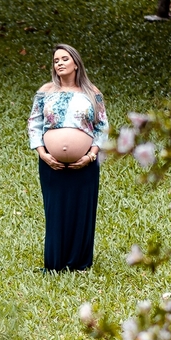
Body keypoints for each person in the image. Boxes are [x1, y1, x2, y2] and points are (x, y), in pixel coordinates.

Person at [26, 44, 108, 272]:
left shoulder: (92, 93)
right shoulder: (45, 92)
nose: (59, 63)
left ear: (75, 63)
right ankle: (54, 263)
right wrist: (43, 154)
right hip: (51, 165)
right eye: (55, 61)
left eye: (64, 59)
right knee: (55, 210)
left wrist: (91, 156)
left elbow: (102, 127)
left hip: (85, 166)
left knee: (82, 211)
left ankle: (79, 263)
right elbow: (34, 123)